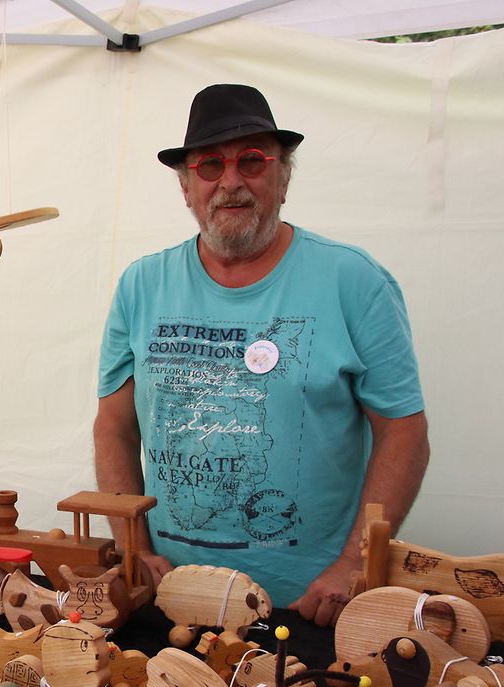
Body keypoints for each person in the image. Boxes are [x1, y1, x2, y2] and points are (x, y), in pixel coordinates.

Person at [93, 84, 429, 626]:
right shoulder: (141, 286)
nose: (230, 181)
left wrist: (353, 564)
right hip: (167, 600)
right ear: (185, 187)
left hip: (308, 608)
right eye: (209, 165)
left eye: (252, 160)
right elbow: (114, 427)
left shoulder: (354, 281)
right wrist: (133, 547)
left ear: (283, 178)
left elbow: (404, 432)